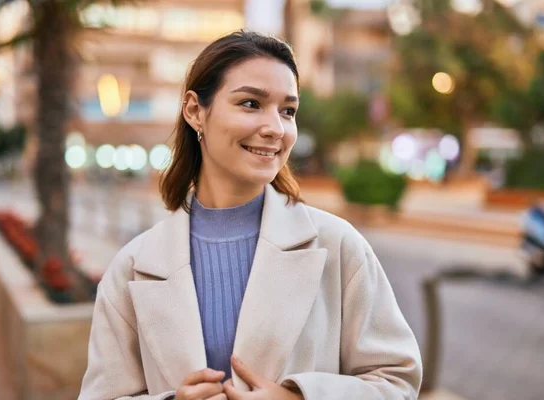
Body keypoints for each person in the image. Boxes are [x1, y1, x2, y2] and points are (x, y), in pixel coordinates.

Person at [78, 31, 422, 400]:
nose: (275, 128)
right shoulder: (132, 267)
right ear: (195, 111)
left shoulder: (339, 246)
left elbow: (396, 382)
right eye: (250, 103)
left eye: (287, 111)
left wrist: (298, 398)